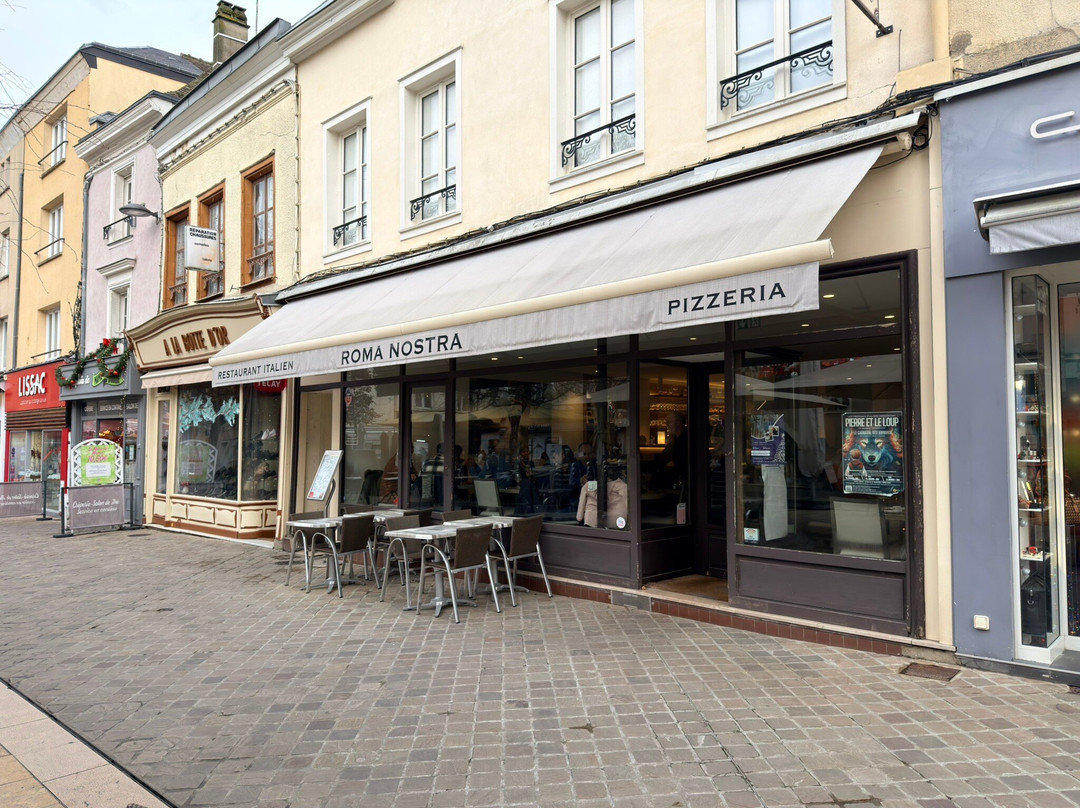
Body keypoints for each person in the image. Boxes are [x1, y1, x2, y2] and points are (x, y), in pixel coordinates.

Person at [657, 411, 688, 488]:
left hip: (682, 482)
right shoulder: (675, 440)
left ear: (678, 422)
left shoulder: (686, 439)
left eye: (669, 422)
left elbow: (681, 462)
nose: (667, 425)